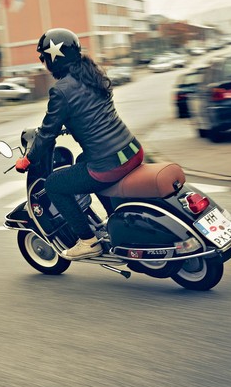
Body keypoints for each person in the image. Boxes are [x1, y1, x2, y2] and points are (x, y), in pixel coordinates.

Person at [14, 28, 143, 260]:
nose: (43, 63)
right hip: (132, 150)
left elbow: (46, 134)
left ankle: (88, 240)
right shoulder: (92, 73)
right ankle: (115, 221)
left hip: (108, 163)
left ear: (53, 59)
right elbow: (91, 111)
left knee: (54, 184)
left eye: (43, 58)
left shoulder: (60, 90)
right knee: (83, 162)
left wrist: (27, 159)